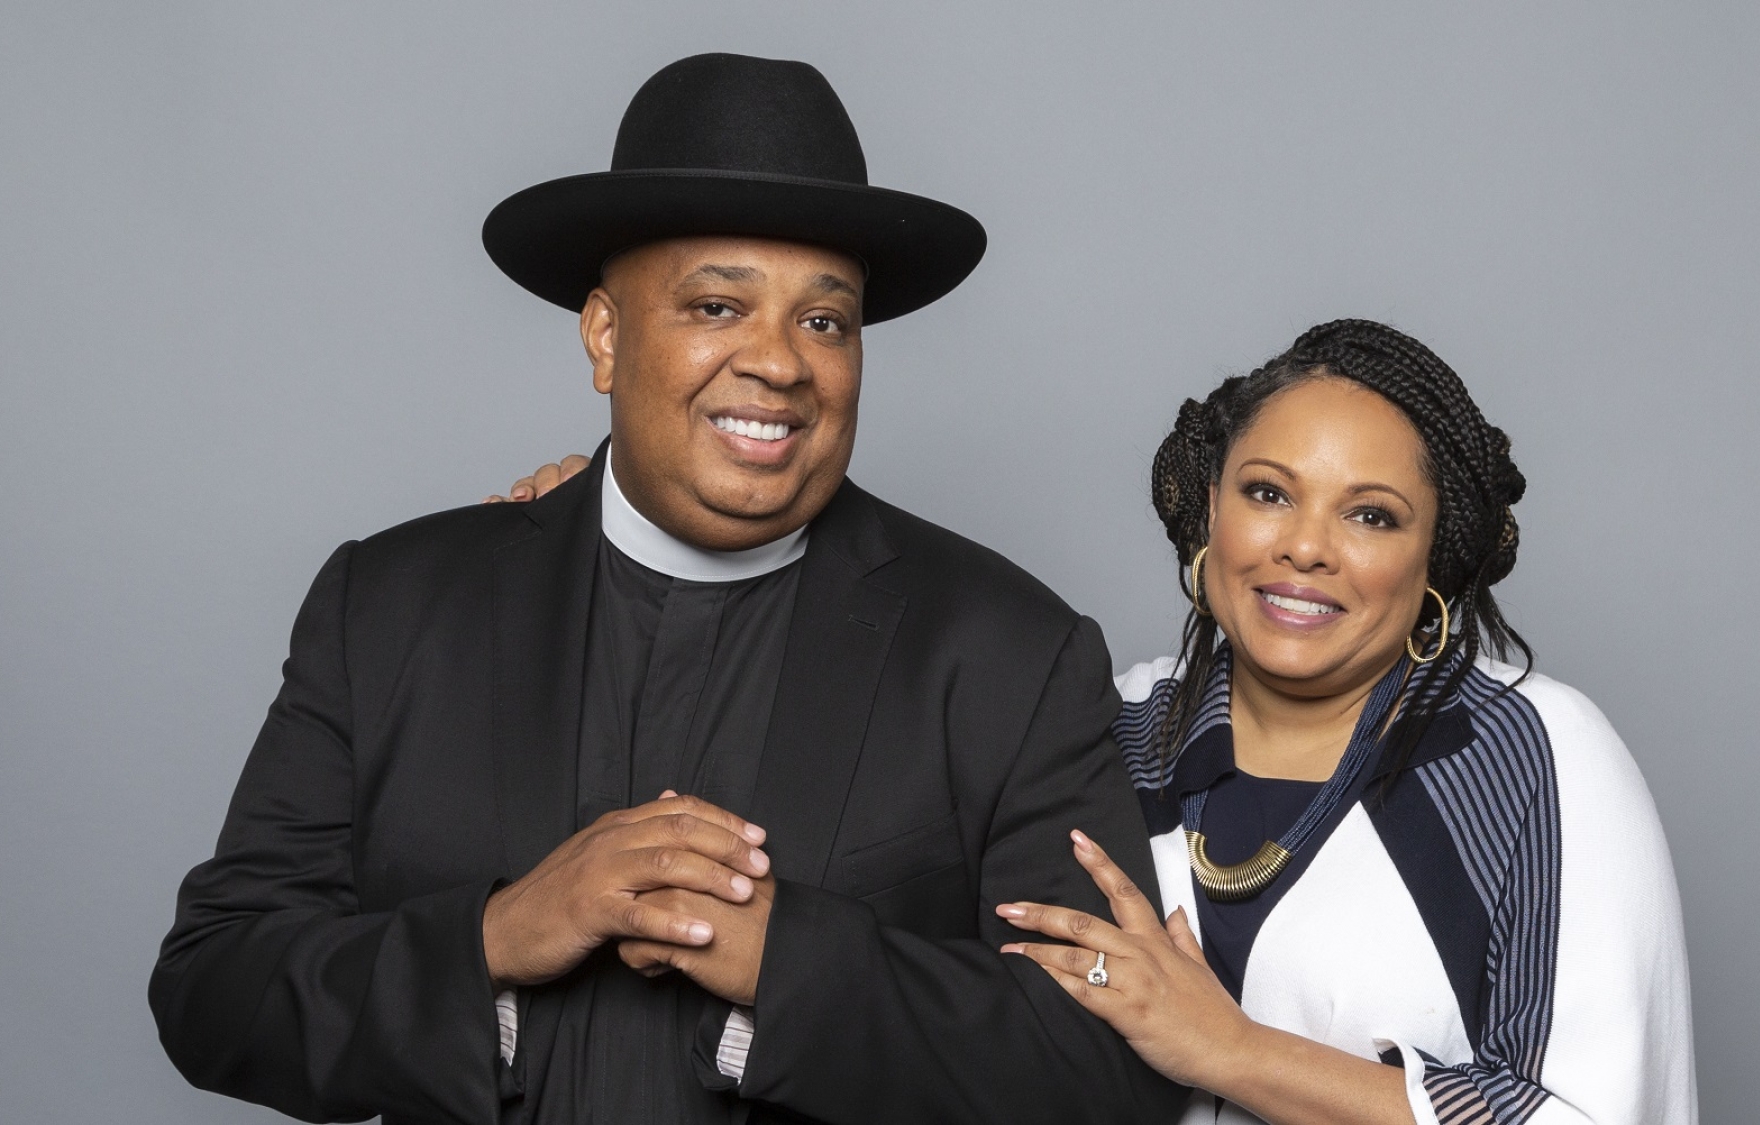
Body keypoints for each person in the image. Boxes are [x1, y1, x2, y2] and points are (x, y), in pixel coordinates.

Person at [149, 53, 1186, 1125]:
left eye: (823, 321)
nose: (779, 363)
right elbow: (215, 991)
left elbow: (1106, 1066)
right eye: (715, 304)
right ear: (605, 335)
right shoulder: (393, 608)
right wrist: (496, 940)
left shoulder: (1006, 652)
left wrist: (791, 969)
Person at [499, 321, 1697, 1125]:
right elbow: (879, 922)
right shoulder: (1099, 725)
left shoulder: (1527, 755)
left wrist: (1224, 1050)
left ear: (1438, 557)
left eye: (1372, 515)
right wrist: (633, 549)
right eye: (1266, 493)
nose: (1303, 547)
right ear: (1205, 517)